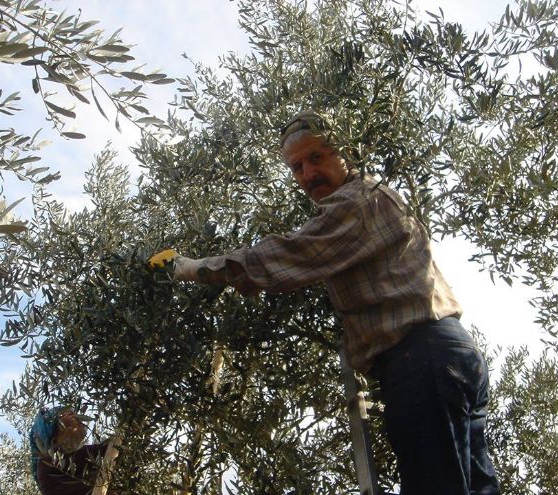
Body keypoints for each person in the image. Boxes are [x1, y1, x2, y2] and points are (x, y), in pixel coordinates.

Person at [149, 110, 501, 494]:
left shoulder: (358, 201)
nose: (307, 174)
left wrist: (192, 268)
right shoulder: (371, 196)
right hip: (448, 355)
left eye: (317, 157)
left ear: (345, 150)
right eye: (297, 167)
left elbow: (290, 254)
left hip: (421, 360)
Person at [29, 406, 118, 495]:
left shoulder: (77, 457)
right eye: (68, 414)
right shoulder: (48, 463)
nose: (76, 416)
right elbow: (106, 449)